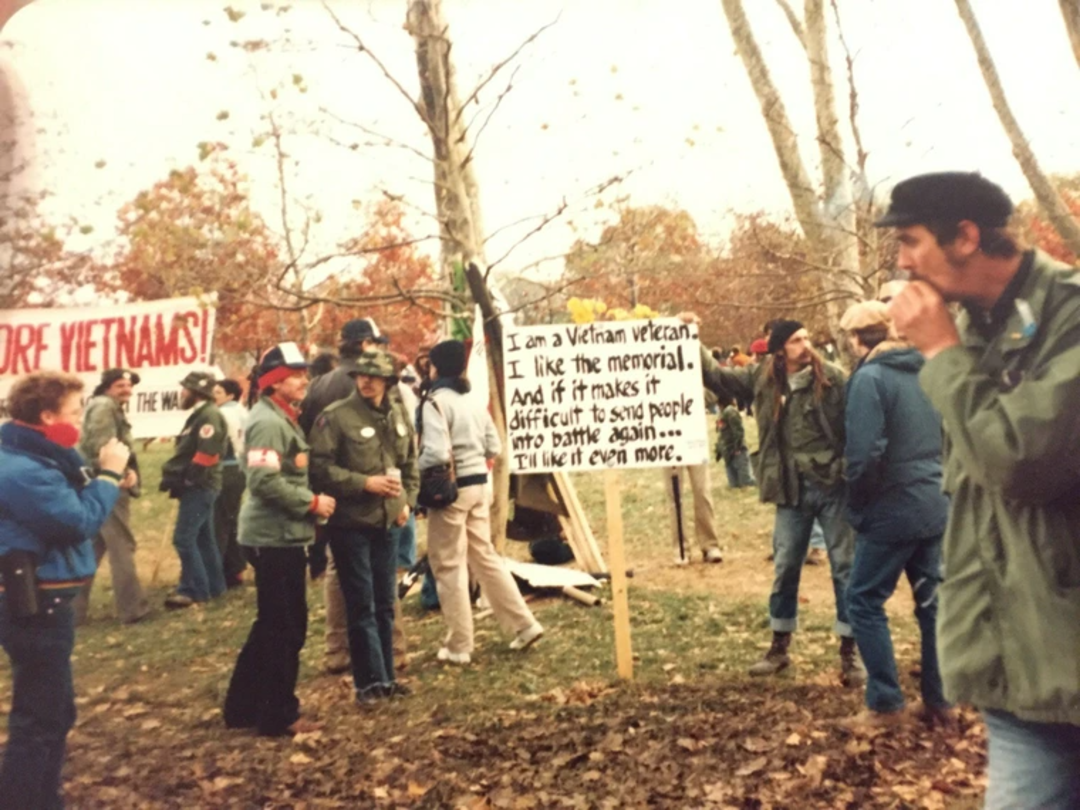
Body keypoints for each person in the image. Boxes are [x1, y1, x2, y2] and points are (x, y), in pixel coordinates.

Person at [880, 172, 1080, 808]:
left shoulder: (1069, 315)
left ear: (964, 236)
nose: (902, 262)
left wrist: (940, 352)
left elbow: (1022, 461)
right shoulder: (978, 324)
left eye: (910, 241)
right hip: (1018, 662)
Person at [689, 314, 863, 685]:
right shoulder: (763, 377)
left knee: (846, 569)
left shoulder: (833, 378)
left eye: (806, 338)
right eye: (797, 340)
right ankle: (779, 646)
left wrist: (842, 471)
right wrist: (692, 335)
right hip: (790, 490)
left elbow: (858, 428)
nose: (806, 345)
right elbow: (716, 377)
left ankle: (851, 652)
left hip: (832, 489)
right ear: (780, 350)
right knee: (786, 567)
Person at [0, 372, 130, 809]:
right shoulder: (21, 469)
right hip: (38, 600)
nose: (79, 420)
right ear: (47, 415)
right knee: (40, 716)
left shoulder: (36, 456)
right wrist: (109, 476)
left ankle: (42, 798)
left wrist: (101, 480)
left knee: (54, 711)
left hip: (47, 595)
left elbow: (71, 499)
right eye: (74, 411)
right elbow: (76, 522)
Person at [837, 300, 950, 730]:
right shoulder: (927, 370)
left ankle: (885, 704)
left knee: (863, 600)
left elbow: (863, 455)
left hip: (892, 508)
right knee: (932, 605)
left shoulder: (869, 379)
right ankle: (941, 702)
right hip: (934, 501)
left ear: (854, 339)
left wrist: (861, 503)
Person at [223, 343, 336, 737]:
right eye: (294, 375)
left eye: (303, 373)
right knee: (285, 628)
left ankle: (241, 707)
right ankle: (278, 714)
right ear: (273, 383)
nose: (304, 380)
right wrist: (312, 503)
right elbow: (264, 481)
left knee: (272, 624)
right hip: (273, 538)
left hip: (281, 536)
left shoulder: (280, 417)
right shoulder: (269, 423)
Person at [419, 339, 544, 664]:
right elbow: (494, 447)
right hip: (479, 488)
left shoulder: (434, 403)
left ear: (434, 368)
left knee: (448, 565)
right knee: (485, 558)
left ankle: (460, 644)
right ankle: (524, 623)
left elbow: (433, 453)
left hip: (450, 491)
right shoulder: (473, 401)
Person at [309, 350, 418, 703]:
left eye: (374, 376)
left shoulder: (398, 413)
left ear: (388, 380)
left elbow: (410, 464)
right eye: (360, 375)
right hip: (351, 523)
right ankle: (367, 683)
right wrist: (363, 483)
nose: (366, 381)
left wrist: (406, 504)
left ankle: (387, 678)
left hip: (388, 522)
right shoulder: (336, 417)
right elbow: (320, 468)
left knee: (385, 601)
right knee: (361, 604)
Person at [300, 317, 388, 674]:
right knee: (381, 577)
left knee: (340, 568)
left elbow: (307, 435)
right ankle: (389, 651)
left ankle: (338, 648)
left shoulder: (320, 384)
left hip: (332, 486)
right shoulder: (381, 378)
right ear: (367, 344)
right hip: (374, 486)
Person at [72, 368, 150, 625]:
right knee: (121, 546)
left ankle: (73, 612)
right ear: (107, 387)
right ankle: (133, 609)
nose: (126, 389)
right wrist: (122, 472)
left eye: (128, 385)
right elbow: (102, 445)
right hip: (109, 484)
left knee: (94, 547)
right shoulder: (105, 407)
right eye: (120, 385)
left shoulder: (106, 405)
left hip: (97, 482)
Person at [160, 371, 228, 609]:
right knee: (203, 537)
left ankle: (194, 590)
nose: (182, 393)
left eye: (185, 389)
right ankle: (214, 585)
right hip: (200, 485)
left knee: (184, 538)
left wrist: (187, 481)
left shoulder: (208, 416)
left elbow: (207, 454)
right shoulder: (200, 415)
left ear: (195, 391)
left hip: (199, 487)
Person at [213, 378, 248, 588]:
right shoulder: (244, 411)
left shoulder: (223, 414)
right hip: (241, 468)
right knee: (232, 519)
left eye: (218, 392)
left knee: (220, 522)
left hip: (227, 467)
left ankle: (221, 570)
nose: (214, 396)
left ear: (230, 395)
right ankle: (235, 569)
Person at [664, 463, 723, 564]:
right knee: (675, 497)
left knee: (702, 491)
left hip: (695, 448)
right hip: (670, 450)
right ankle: (681, 550)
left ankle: (710, 545)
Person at [715, 393, 755, 488]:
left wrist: (737, 447)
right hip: (728, 452)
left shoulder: (730, 412)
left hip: (736, 451)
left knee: (746, 481)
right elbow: (722, 435)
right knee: (734, 485)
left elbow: (738, 431)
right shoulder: (723, 414)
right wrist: (719, 451)